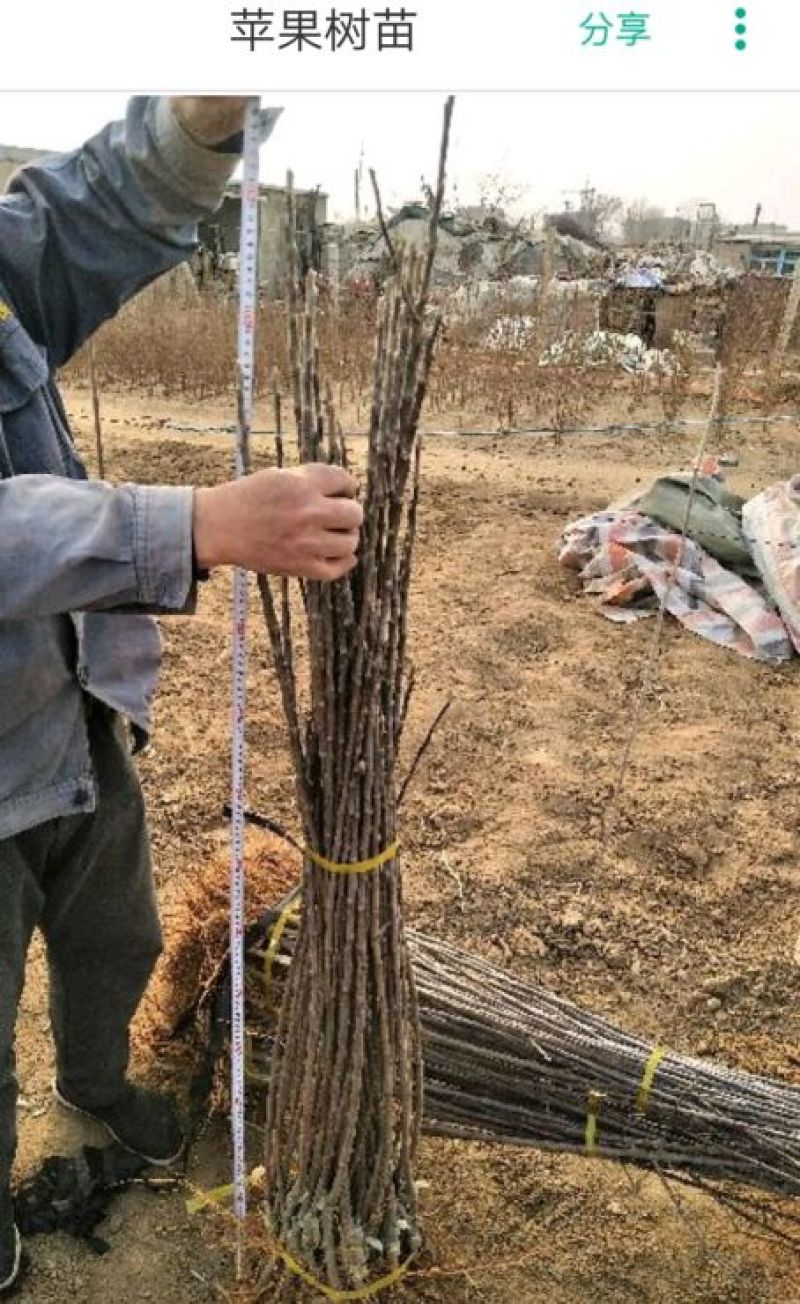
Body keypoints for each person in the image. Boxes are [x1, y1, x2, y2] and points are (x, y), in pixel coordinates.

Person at [0, 96, 363, 1295]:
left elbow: (72, 224)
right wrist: (196, 522)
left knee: (118, 934)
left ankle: (97, 1083)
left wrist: (193, 123)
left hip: (67, 712)